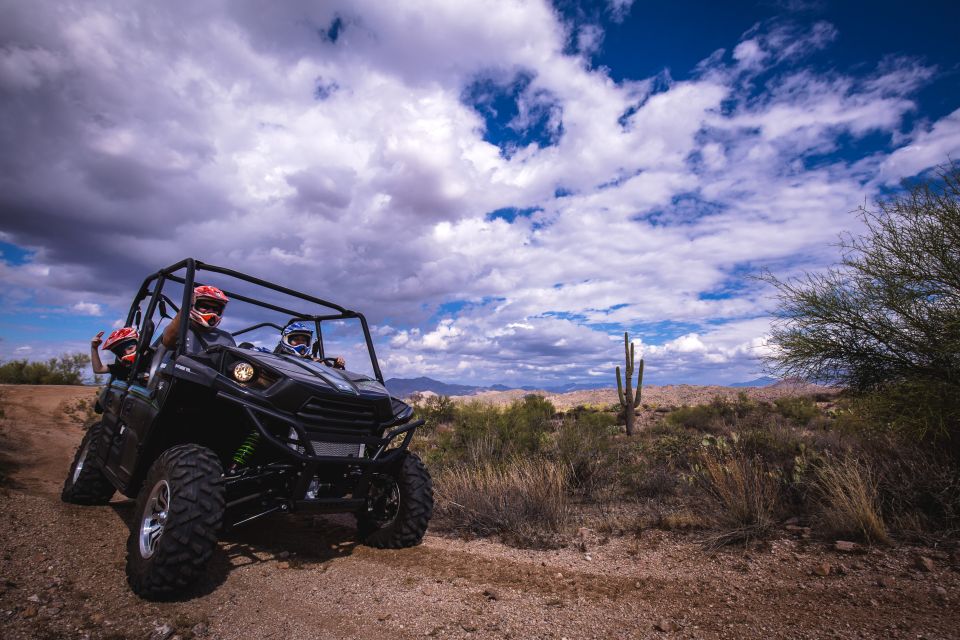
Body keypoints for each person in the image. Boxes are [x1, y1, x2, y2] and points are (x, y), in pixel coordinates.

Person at [161, 285, 235, 353]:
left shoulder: (226, 338)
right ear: (192, 304)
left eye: (216, 308)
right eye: (205, 306)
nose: (210, 311)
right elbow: (168, 342)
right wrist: (187, 305)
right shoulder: (179, 329)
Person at [273, 321, 345, 369]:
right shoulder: (275, 358)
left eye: (303, 340)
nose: (300, 342)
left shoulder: (311, 360)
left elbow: (329, 377)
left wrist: (336, 367)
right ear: (286, 340)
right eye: (296, 339)